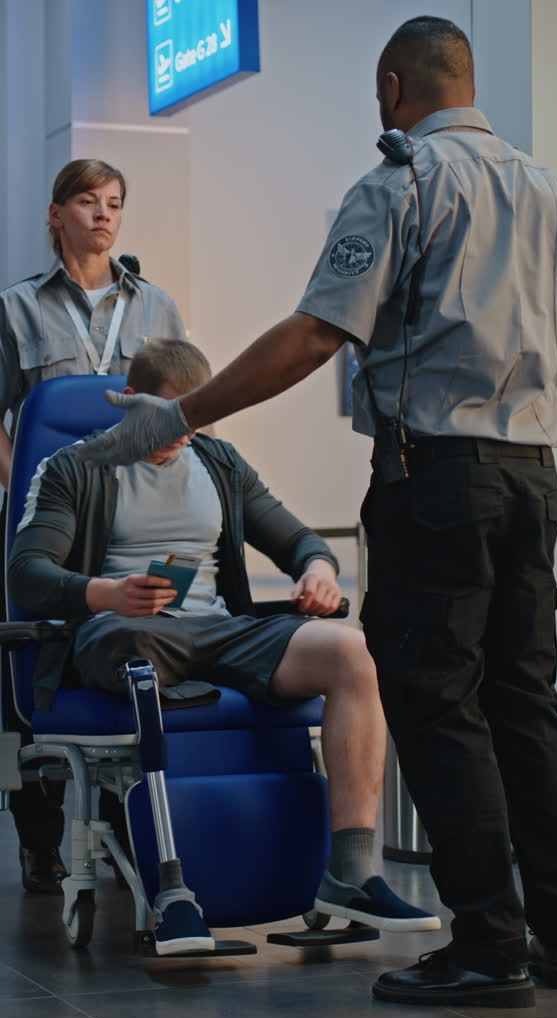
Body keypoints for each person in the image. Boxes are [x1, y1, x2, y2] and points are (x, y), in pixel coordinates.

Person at [77, 18, 557, 1003]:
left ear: (393, 88)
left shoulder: (400, 184)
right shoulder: (550, 193)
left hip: (434, 479)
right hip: (534, 480)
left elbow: (314, 337)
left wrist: (181, 413)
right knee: (526, 702)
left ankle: (488, 943)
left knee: (438, 703)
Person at [8, 338, 441, 953]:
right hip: (124, 629)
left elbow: (297, 540)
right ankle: (174, 887)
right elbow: (27, 572)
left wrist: (315, 569)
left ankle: (352, 872)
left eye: (196, 417)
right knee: (137, 646)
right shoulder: (75, 468)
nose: (183, 433)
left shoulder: (218, 463)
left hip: (217, 631)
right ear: (130, 403)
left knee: (353, 653)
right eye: (169, 417)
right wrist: (106, 593)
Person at [0, 158, 185, 894]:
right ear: (56, 214)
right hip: (45, 521)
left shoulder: (158, 308)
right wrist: (24, 493)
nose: (103, 215)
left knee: (122, 663)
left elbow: (178, 405)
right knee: (36, 673)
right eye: (87, 201)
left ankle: (130, 838)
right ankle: (41, 845)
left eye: (114, 203)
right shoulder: (15, 309)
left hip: (134, 518)